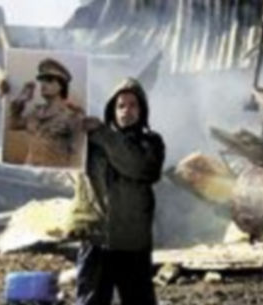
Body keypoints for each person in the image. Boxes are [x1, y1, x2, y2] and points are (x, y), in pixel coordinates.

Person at [74, 78, 166, 305]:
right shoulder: (91, 143)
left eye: (133, 105)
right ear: (112, 110)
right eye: (121, 105)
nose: (127, 111)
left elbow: (139, 167)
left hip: (132, 243)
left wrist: (103, 134)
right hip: (96, 240)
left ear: (142, 110)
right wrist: (15, 98)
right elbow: (42, 141)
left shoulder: (150, 143)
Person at [1, 58, 85, 167]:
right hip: (30, 173)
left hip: (52, 178)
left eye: (49, 80)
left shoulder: (72, 117)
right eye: (42, 80)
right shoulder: (36, 113)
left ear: (61, 85)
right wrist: (20, 101)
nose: (43, 84)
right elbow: (12, 124)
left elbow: (78, 154)